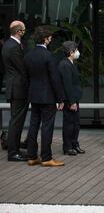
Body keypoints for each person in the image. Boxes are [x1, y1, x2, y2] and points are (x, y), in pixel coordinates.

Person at [24, 27, 65, 167]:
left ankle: (31, 156)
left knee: (33, 125)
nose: (51, 39)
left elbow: (27, 77)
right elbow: (55, 79)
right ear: (46, 39)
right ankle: (46, 157)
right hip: (47, 96)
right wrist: (60, 98)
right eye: (50, 37)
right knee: (47, 126)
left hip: (34, 95)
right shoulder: (48, 55)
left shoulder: (28, 55)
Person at [2, 20, 29, 161]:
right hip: (18, 89)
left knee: (16, 120)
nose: (25, 32)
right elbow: (22, 69)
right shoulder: (13, 47)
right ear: (19, 32)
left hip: (14, 88)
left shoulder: (9, 44)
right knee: (16, 121)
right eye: (24, 30)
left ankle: (14, 149)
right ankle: (13, 152)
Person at [58, 41, 84, 156]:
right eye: (75, 50)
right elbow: (67, 84)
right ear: (70, 52)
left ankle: (74, 144)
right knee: (69, 123)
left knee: (75, 123)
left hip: (73, 98)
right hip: (69, 100)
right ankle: (68, 146)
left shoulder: (70, 63)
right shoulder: (64, 65)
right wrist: (72, 102)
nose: (77, 52)